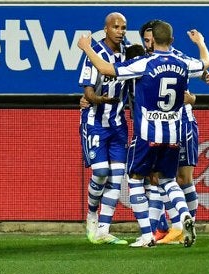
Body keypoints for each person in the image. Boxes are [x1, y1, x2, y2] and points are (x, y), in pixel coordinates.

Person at [78, 20, 209, 248]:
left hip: (148, 133)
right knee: (168, 180)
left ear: (151, 42)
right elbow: (206, 62)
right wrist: (200, 43)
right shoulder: (182, 62)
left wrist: (86, 48)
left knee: (135, 179)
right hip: (173, 133)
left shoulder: (144, 63)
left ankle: (147, 234)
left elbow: (107, 69)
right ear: (171, 40)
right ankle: (183, 217)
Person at [78, 12, 130, 245]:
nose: (121, 31)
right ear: (106, 29)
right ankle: (91, 215)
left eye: (124, 27)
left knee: (117, 178)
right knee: (100, 173)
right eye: (116, 27)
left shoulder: (129, 53)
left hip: (118, 124)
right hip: (95, 122)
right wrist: (101, 100)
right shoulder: (94, 54)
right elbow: (88, 93)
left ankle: (103, 229)